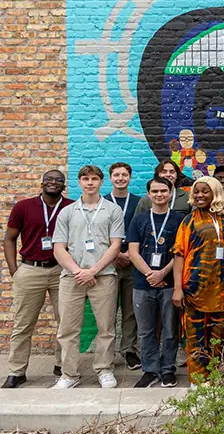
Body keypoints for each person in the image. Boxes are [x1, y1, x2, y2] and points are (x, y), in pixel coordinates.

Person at [52, 165, 125, 389]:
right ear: (79, 182)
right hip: (71, 277)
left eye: (94, 179)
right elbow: (58, 248)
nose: (90, 182)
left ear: (101, 182)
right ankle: (69, 374)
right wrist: (78, 271)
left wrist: (93, 271)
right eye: (85, 179)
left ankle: (104, 370)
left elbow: (116, 246)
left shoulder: (113, 210)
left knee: (106, 327)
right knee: (68, 328)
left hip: (103, 276)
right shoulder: (67, 211)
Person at [3, 170, 73, 388]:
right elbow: (9, 239)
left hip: (61, 271)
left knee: (67, 322)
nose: (54, 183)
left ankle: (62, 367)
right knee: (24, 323)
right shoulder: (23, 207)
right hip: (30, 269)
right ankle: (17, 370)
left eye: (58, 181)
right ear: (42, 183)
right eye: (50, 180)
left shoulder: (71, 207)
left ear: (64, 186)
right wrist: (15, 270)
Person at [171, 177, 224, 384]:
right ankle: (198, 381)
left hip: (222, 288)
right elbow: (179, 254)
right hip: (195, 287)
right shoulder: (189, 221)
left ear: (215, 193)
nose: (199, 195)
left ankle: (215, 376)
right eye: (196, 192)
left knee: (218, 336)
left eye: (204, 192)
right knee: (195, 336)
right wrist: (178, 288)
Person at [126, 177, 184, 388]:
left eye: (163, 191)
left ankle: (168, 369)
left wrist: (163, 273)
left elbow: (181, 253)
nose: (159, 195)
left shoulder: (179, 220)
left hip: (169, 283)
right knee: (146, 330)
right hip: (142, 284)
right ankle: (150, 370)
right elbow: (133, 251)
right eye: (155, 191)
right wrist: (151, 273)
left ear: (170, 193)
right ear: (148, 195)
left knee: (170, 329)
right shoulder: (139, 220)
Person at [104, 162, 142, 371]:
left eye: (124, 175)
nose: (120, 178)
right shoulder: (103, 202)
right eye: (116, 175)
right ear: (110, 178)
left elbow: (144, 229)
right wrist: (116, 254)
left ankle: (129, 350)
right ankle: (107, 353)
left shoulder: (138, 201)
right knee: (107, 310)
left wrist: (129, 255)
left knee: (130, 311)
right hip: (107, 262)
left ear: (130, 177)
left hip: (132, 259)